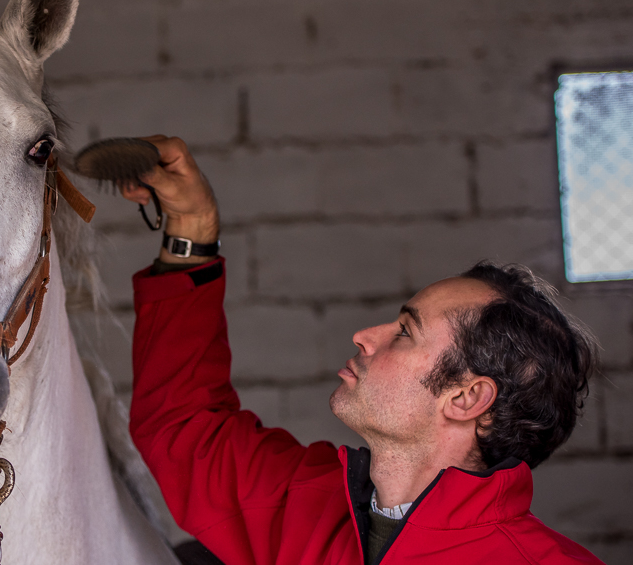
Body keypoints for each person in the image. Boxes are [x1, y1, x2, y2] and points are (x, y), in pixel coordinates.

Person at [120, 136, 603, 565]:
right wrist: (191, 230)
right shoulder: (303, 503)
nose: (364, 336)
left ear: (465, 398)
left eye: (404, 332)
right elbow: (184, 426)